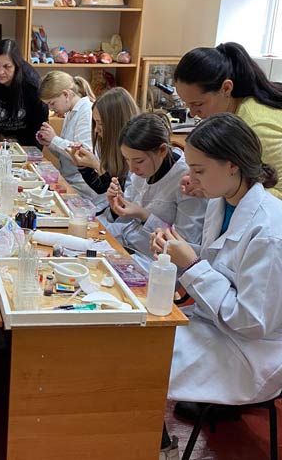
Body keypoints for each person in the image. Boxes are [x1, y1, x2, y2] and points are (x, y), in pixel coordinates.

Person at [150, 114, 282, 456]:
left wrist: (191, 264)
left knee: (142, 362)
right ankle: (149, 442)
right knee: (137, 344)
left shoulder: (269, 231)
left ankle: (152, 447)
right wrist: (176, 250)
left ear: (233, 165)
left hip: (251, 352)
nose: (191, 179)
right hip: (215, 325)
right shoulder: (221, 202)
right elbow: (221, 264)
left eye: (199, 170)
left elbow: (252, 321)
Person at [174, 42, 282, 199]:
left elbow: (279, 192)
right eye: (187, 104)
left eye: (198, 104)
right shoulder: (236, 114)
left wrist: (224, 189)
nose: (193, 113)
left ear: (226, 88)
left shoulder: (256, 126)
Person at [100, 113, 207, 271]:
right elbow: (128, 216)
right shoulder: (146, 168)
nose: (132, 169)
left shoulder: (187, 182)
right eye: (127, 160)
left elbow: (184, 245)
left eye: (138, 161)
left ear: (162, 150)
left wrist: (143, 215)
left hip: (156, 262)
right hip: (129, 243)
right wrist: (118, 205)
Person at [68, 87, 139, 208]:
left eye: (100, 123)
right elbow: (101, 187)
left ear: (116, 124)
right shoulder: (111, 145)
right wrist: (83, 166)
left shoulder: (135, 153)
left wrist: (97, 165)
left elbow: (122, 201)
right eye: (95, 123)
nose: (96, 130)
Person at [0, 39, 48, 146]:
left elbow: (39, 121)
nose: (0, 72)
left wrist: (31, 148)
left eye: (7, 66)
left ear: (17, 66)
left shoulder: (31, 83)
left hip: (26, 134)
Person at [37, 71, 97, 199]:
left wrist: (54, 139)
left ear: (66, 94)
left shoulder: (87, 111)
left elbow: (83, 155)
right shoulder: (70, 112)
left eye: (52, 103)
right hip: (71, 181)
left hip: (84, 188)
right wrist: (50, 143)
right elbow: (65, 157)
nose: (50, 109)